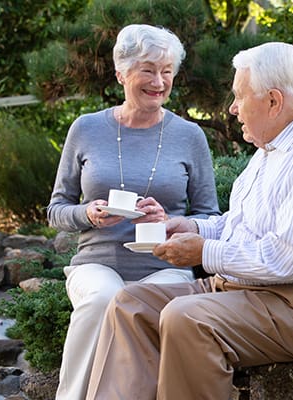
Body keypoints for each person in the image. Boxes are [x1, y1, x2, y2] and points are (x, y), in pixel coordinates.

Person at [85, 42, 293, 400]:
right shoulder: (274, 146)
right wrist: (193, 227)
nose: (233, 108)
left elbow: (290, 260)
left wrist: (204, 252)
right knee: (132, 304)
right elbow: (243, 223)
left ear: (273, 101)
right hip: (248, 290)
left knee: (186, 319)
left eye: (239, 96)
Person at [47, 24, 221, 400]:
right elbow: (56, 209)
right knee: (103, 300)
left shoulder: (190, 136)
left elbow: (211, 218)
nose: (159, 82)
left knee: (160, 307)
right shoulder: (87, 128)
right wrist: (88, 214)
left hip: (165, 266)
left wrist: (173, 224)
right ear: (121, 73)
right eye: (148, 70)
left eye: (167, 71)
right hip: (97, 263)